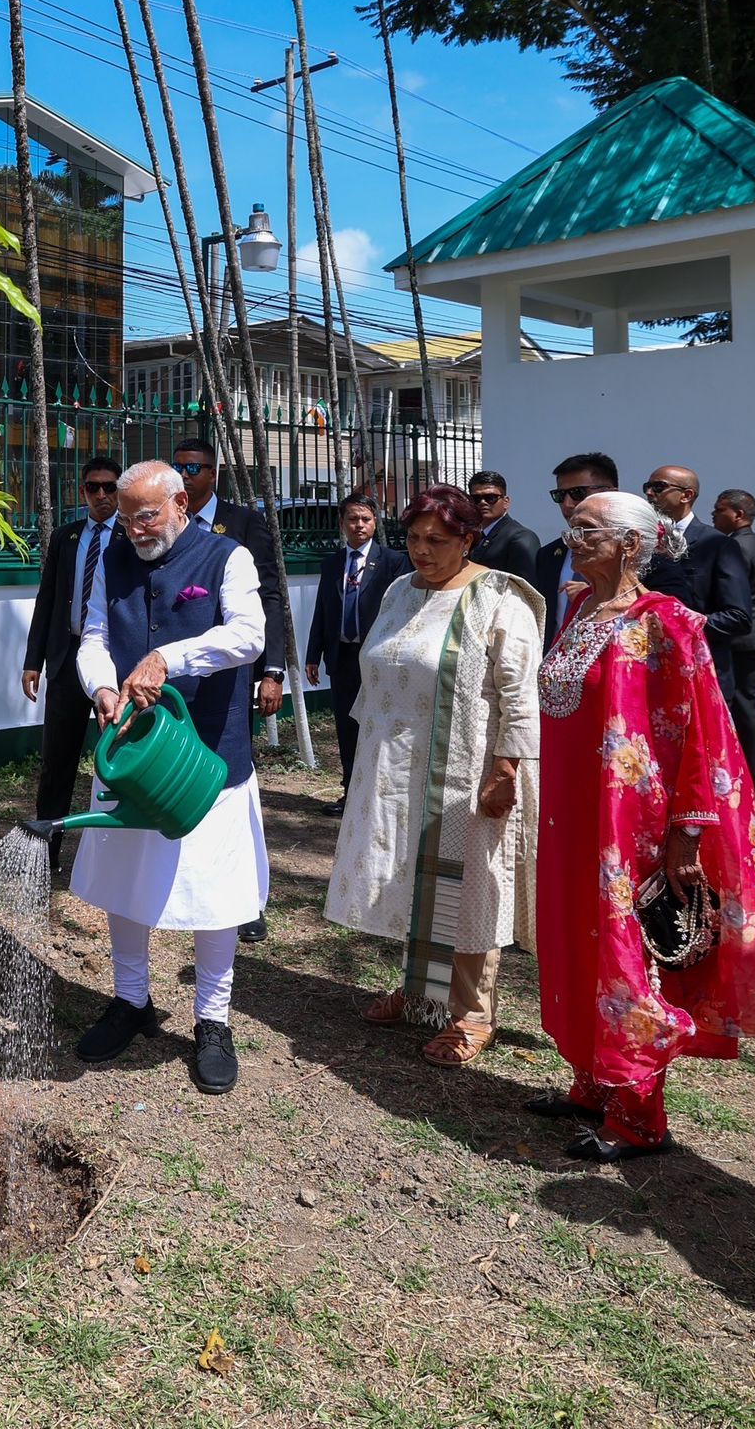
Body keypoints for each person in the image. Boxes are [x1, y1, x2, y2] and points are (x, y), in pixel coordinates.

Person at [533, 493, 755, 1160]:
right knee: (574, 940)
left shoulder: (668, 620)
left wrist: (687, 835)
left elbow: (703, 734)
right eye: (572, 528)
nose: (573, 540)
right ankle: (591, 1080)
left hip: (630, 825)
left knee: (623, 954)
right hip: (570, 814)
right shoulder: (581, 606)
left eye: (589, 531)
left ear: (632, 545)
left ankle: (640, 1117)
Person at [327, 485, 543, 1066]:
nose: (422, 550)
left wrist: (506, 767)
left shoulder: (499, 599)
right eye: (415, 538)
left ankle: (472, 1013)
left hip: (467, 768)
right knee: (410, 873)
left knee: (468, 884)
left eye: (438, 541)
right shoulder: (400, 589)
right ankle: (422, 991)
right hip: (397, 763)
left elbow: (520, 695)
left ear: (470, 540)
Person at [71, 460, 267, 1095]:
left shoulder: (227, 557)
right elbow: (94, 635)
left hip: (207, 755)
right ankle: (132, 1001)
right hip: (131, 749)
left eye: (145, 515)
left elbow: (248, 635)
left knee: (216, 892)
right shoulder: (115, 558)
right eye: (124, 519)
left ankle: (212, 1020)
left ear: (182, 503)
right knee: (125, 881)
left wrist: (169, 658)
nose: (133, 529)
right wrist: (102, 685)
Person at [171, 437, 285, 943]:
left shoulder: (241, 524)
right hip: (175, 684)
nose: (184, 476)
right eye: (178, 468)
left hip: (231, 676)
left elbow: (271, 598)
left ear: (213, 473)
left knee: (235, 789)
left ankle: (248, 899)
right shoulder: (166, 525)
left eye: (192, 468)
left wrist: (273, 670)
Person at [21, 457, 122, 872]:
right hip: (66, 663)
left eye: (109, 487)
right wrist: (33, 661)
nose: (101, 495)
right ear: (82, 492)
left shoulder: (133, 538)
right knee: (56, 764)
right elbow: (47, 601)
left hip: (113, 669)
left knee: (118, 762)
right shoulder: (66, 538)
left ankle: (114, 862)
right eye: (93, 488)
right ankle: (46, 858)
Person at [303, 494, 410, 818]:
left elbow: (401, 610)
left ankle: (381, 795)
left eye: (365, 519)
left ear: (375, 522)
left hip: (378, 659)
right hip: (343, 658)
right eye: (353, 519)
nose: (359, 525)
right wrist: (313, 654)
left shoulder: (393, 561)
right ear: (342, 523)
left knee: (379, 725)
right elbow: (322, 609)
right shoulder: (332, 563)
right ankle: (351, 793)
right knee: (347, 727)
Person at [643, 465, 750, 700]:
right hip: (651, 676)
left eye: (658, 487)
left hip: (702, 676)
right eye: (647, 487)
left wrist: (678, 625)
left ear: (686, 495)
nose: (649, 493)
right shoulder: (642, 543)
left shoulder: (717, 545)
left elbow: (738, 618)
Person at [712, 487, 755, 791]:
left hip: (744, 638)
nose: (714, 513)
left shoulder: (736, 547)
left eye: (720, 509)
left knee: (742, 704)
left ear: (739, 515)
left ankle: (754, 775)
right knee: (744, 703)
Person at [536, 453, 620, 646]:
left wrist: (597, 595)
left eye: (577, 493)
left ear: (611, 493)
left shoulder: (638, 549)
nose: (567, 504)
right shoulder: (548, 555)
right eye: (560, 495)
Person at [467, 470, 539, 583]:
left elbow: (526, 588)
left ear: (506, 502)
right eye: (476, 499)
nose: (482, 502)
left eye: (490, 498)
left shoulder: (521, 538)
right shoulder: (470, 536)